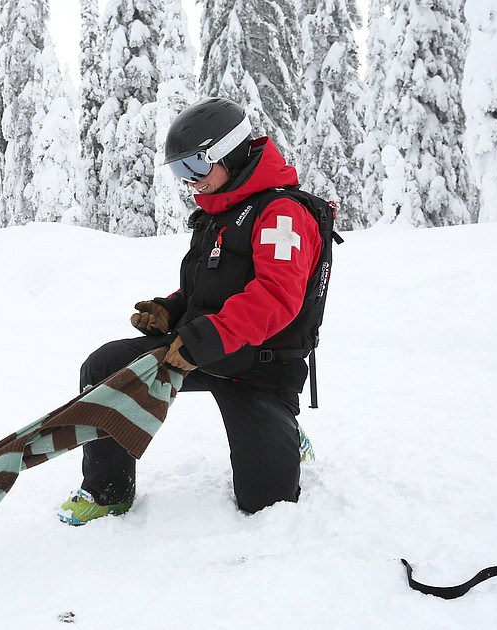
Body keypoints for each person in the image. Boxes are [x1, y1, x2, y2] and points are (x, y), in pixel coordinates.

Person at [59, 97, 332, 525]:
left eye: (196, 168)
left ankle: (286, 433)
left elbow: (277, 297)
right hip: (204, 349)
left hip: (259, 367)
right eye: (180, 172)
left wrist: (203, 338)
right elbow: (206, 289)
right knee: (106, 366)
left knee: (266, 502)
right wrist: (171, 309)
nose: (190, 183)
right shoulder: (218, 214)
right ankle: (107, 491)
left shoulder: (283, 214)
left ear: (231, 154)